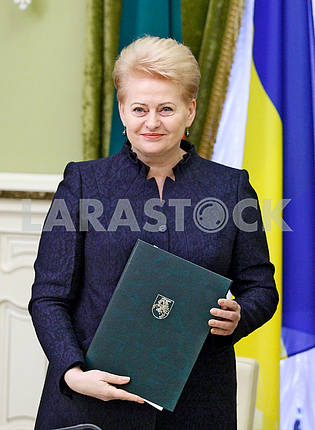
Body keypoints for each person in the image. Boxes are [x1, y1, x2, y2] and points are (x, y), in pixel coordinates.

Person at [29, 36, 279, 430]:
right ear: (122, 110)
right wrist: (73, 373)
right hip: (92, 401)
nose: (151, 122)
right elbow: (48, 297)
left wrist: (240, 316)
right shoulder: (82, 183)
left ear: (190, 110)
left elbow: (261, 288)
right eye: (139, 108)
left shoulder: (231, 188)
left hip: (197, 405)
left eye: (166, 108)